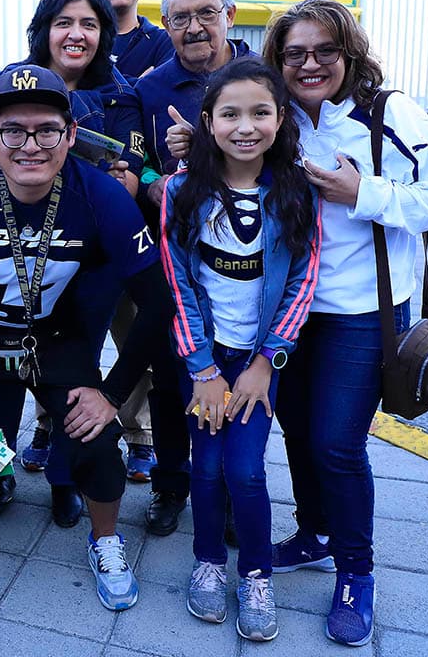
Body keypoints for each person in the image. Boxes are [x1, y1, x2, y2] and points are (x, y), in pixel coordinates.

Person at [0, 64, 169, 611]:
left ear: (70, 135)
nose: (30, 146)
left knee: (95, 438)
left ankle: (105, 539)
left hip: (54, 340)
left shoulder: (101, 195)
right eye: (13, 131)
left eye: (46, 130)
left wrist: (110, 394)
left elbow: (159, 303)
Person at [251, 0, 428, 646]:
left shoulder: (388, 114)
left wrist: (361, 193)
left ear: (348, 51)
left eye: (323, 51)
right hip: (294, 309)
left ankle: (355, 573)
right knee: (298, 431)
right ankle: (314, 532)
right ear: (278, 61)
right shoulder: (279, 117)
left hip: (364, 314)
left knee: (338, 444)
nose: (309, 63)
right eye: (294, 53)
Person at [160, 59, 321, 642]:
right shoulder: (182, 190)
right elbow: (176, 281)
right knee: (204, 466)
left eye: (260, 112)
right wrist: (202, 368)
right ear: (208, 121)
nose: (245, 126)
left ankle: (255, 574)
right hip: (204, 361)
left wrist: (263, 364)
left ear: (281, 120)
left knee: (246, 470)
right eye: (230, 113)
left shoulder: (296, 190)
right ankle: (207, 560)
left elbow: (304, 281)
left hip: (258, 364)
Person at [1, 0, 151, 524]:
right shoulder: (12, 84)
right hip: (16, 250)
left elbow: (128, 178)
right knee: (1, 363)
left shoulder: (120, 92)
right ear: (45, 30)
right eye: (64, 22)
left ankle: (65, 478)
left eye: (89, 24)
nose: (76, 34)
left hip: (93, 259)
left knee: (76, 366)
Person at [134, 0, 257, 537]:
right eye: (179, 18)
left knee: (240, 376)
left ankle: (235, 490)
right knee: (169, 376)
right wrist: (158, 180)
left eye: (206, 13)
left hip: (249, 269)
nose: (194, 28)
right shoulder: (151, 89)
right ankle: (170, 483)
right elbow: (141, 164)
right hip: (178, 267)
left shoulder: (263, 78)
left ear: (230, 15)